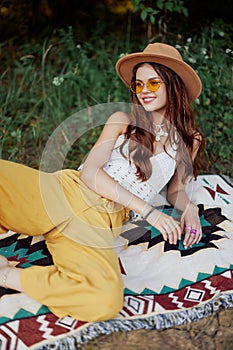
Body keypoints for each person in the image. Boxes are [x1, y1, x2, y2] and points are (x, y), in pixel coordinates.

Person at [0, 43, 205, 322]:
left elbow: (176, 189)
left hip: (100, 222)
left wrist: (189, 208)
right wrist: (148, 211)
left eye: (154, 83)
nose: (144, 90)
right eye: (139, 84)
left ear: (173, 85)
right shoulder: (121, 119)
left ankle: (7, 275)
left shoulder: (190, 139)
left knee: (104, 301)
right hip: (67, 191)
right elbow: (90, 173)